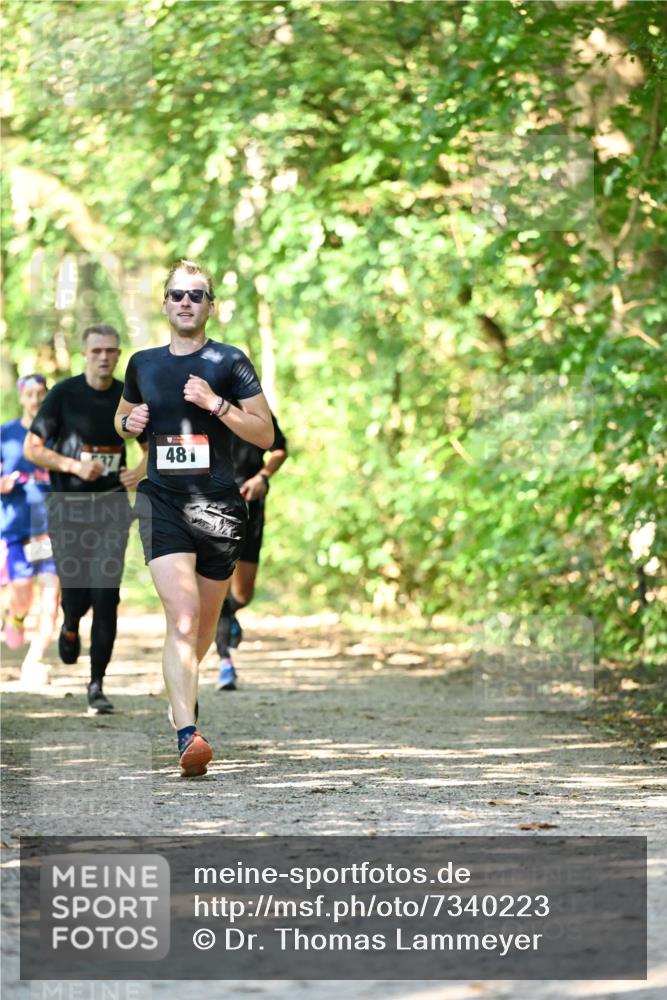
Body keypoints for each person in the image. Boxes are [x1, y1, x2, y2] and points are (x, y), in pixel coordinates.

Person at [115, 259, 272, 777]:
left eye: (196, 295)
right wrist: (126, 422)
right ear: (164, 303)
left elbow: (265, 435)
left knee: (202, 626)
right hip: (163, 503)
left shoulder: (229, 361)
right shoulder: (142, 363)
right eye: (177, 294)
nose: (186, 302)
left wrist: (216, 403)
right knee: (181, 617)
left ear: (210, 305)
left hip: (221, 508)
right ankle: (188, 731)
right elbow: (123, 419)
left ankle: (179, 695)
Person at [24, 325, 147, 715]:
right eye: (97, 351)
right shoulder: (64, 394)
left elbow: (152, 447)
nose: (104, 357)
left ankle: (97, 685)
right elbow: (33, 448)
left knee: (106, 594)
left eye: (111, 351)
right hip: (68, 508)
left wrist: (139, 472)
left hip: (111, 508)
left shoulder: (128, 396)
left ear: (119, 353)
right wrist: (73, 465)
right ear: (85, 354)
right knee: (76, 593)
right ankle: (71, 621)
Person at [215, 412, 287, 690]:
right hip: (212, 503)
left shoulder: (257, 410)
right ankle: (225, 662)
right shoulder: (200, 406)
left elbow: (279, 449)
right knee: (217, 584)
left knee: (242, 595)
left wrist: (263, 477)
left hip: (249, 502)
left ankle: (229, 614)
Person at [1, 373, 60, 687]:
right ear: (22, 397)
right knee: (22, 595)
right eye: (30, 394)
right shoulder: (6, 434)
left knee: (51, 600)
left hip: (51, 532)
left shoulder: (58, 435)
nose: (36, 400)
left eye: (41, 394)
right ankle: (16, 615)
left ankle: (33, 661)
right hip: (17, 529)